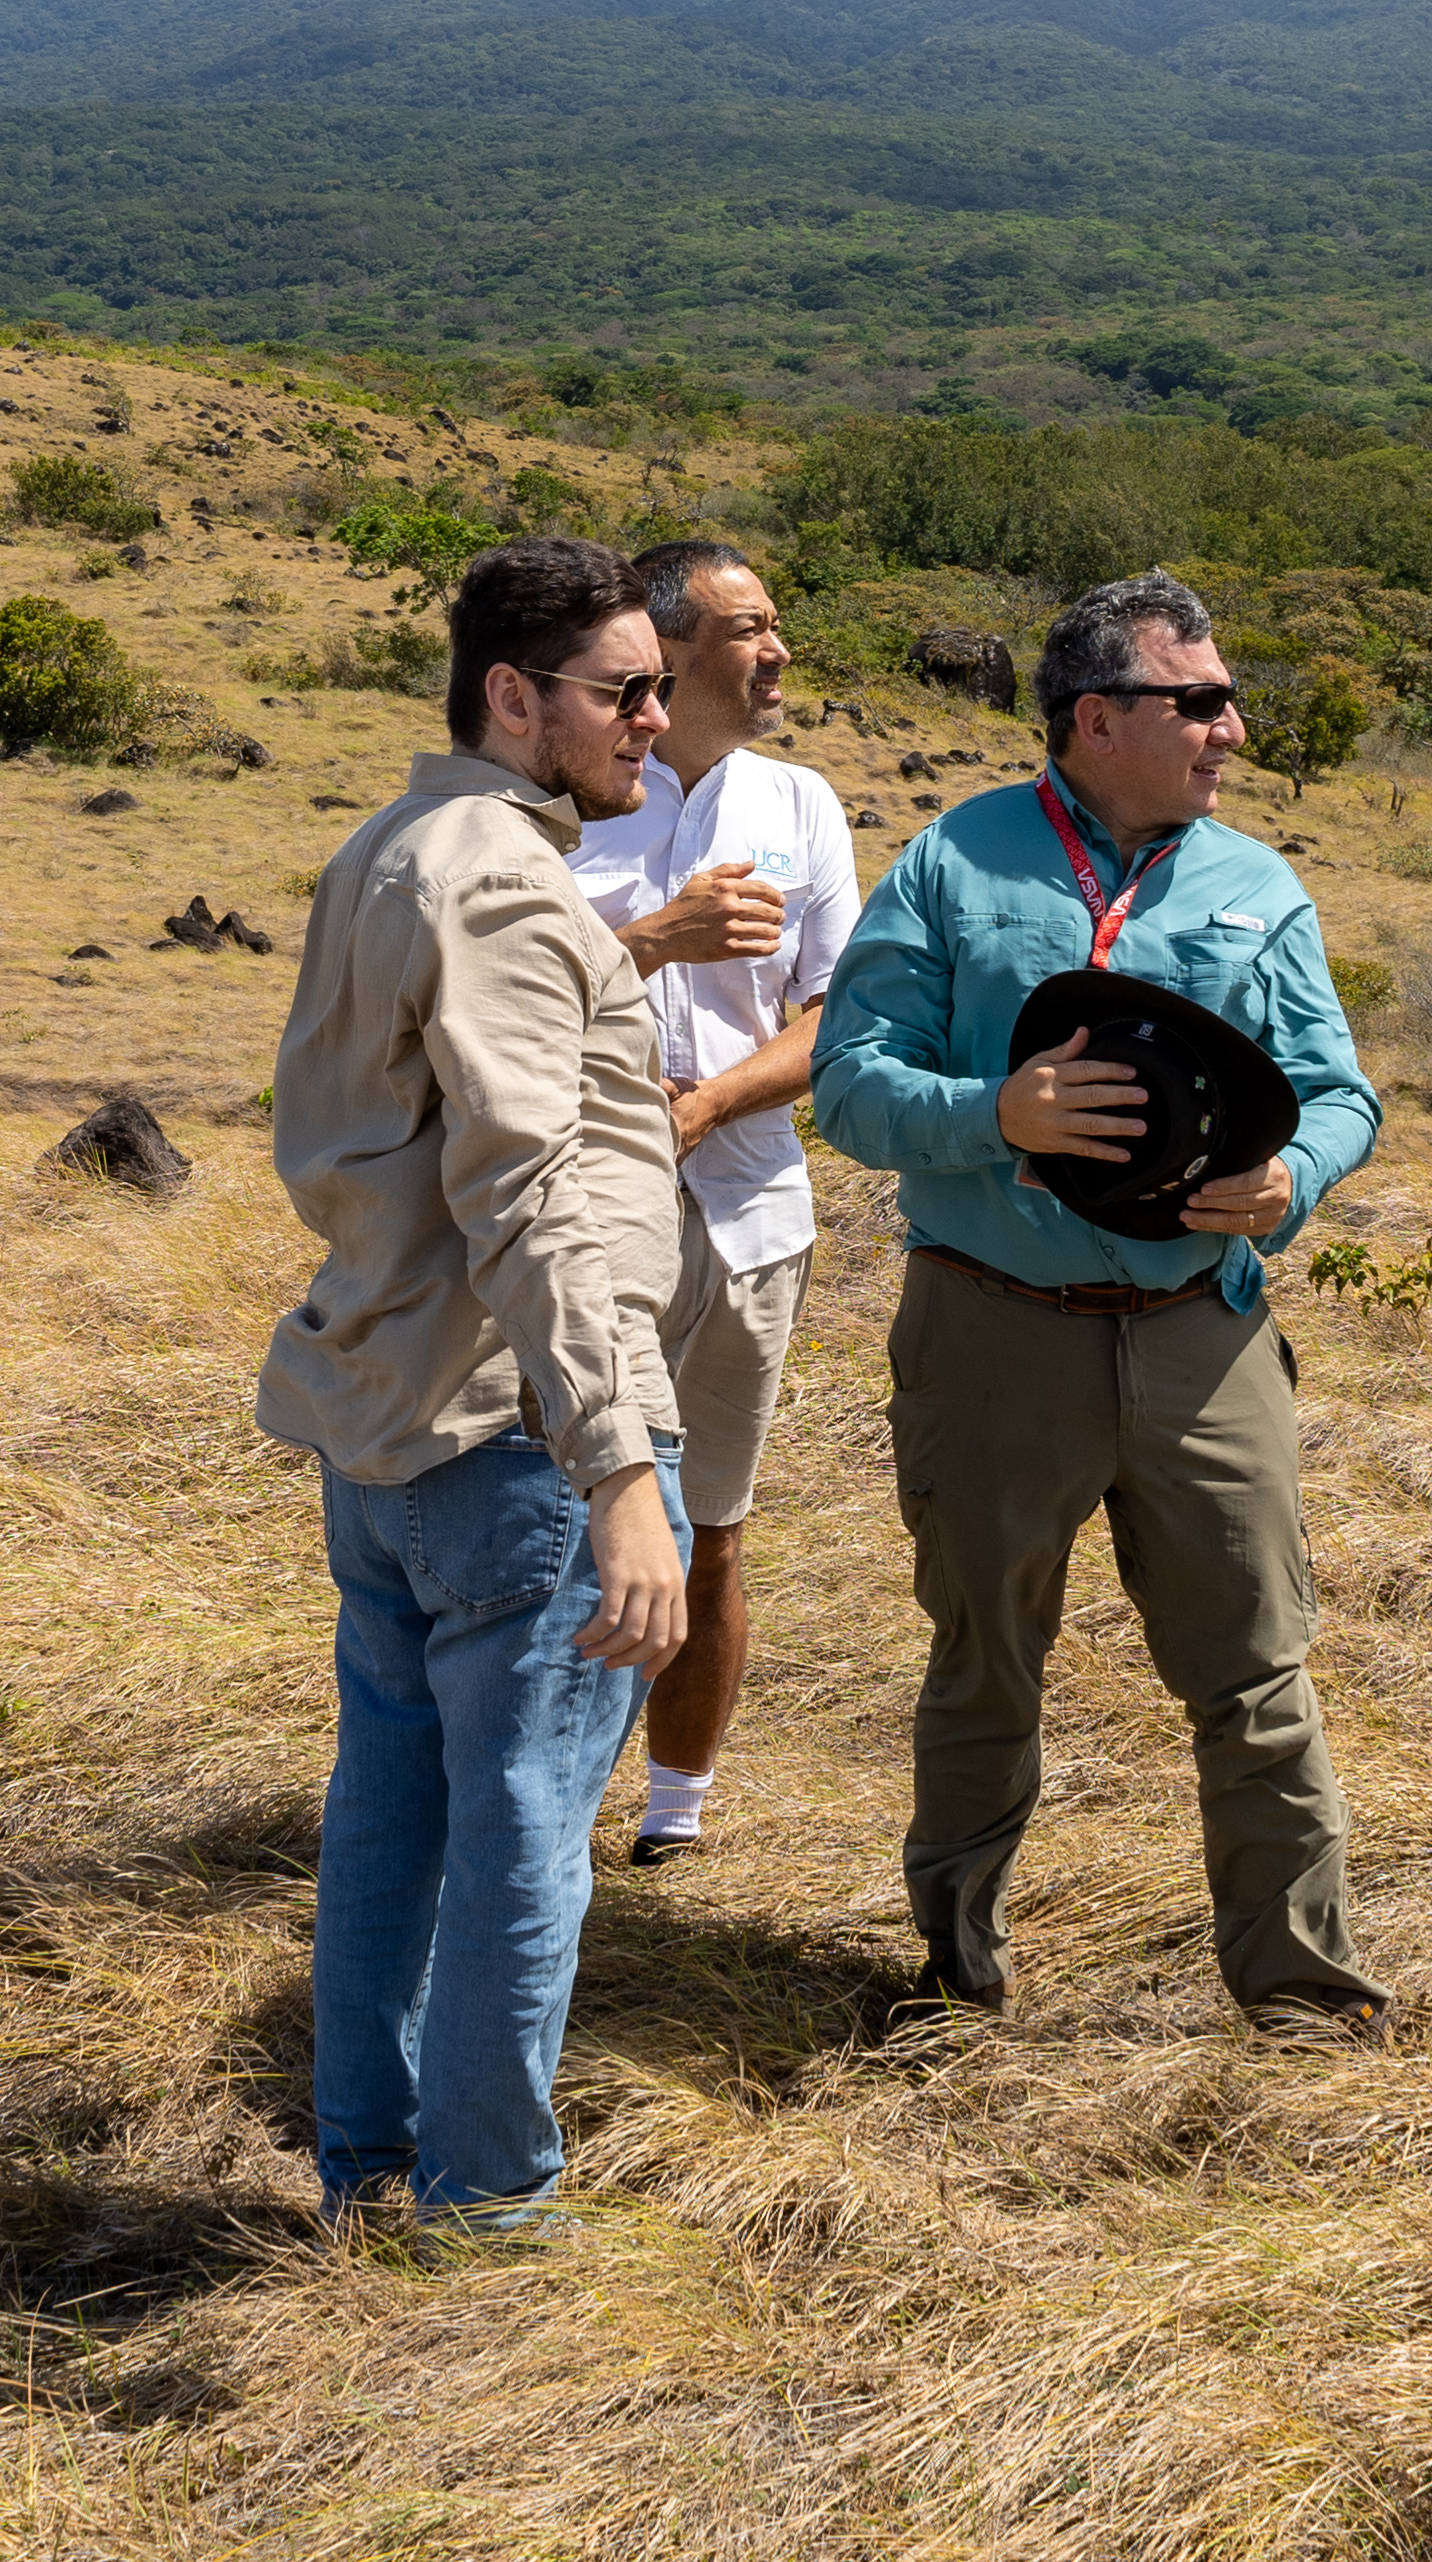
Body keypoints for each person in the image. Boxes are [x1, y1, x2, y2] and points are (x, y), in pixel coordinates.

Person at [808, 569, 1395, 2046]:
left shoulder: (1261, 883)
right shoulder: (951, 864)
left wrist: (1291, 1180)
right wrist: (995, 1113)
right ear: (1097, 716)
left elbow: (1338, 1092)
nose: (1232, 730)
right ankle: (955, 1979)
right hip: (991, 1326)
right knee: (984, 1664)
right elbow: (848, 1085)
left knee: (1259, 1674)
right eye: (1199, 701)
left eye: (1226, 701)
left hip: (1204, 1335)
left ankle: (1305, 1999)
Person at [258, 535, 692, 2231]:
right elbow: (527, 1187)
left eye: (659, 685)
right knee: (521, 1819)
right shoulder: (507, 883)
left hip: (382, 1419)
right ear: (513, 695)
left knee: (392, 1805)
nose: (654, 720)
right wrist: (622, 1466)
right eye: (623, 690)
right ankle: (488, 2201)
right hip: (512, 1432)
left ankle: (367, 2163)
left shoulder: (389, 848)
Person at [563, 540, 859, 1870]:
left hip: (749, 1218)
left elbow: (840, 1011)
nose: (780, 651)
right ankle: (542, 1803)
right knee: (567, 1515)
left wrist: (714, 1100)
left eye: (778, 626)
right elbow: (486, 986)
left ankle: (673, 1813)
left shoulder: (800, 804)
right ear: (667, 652)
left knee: (714, 1525)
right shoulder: (558, 802)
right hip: (575, 1222)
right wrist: (649, 943)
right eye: (752, 629)